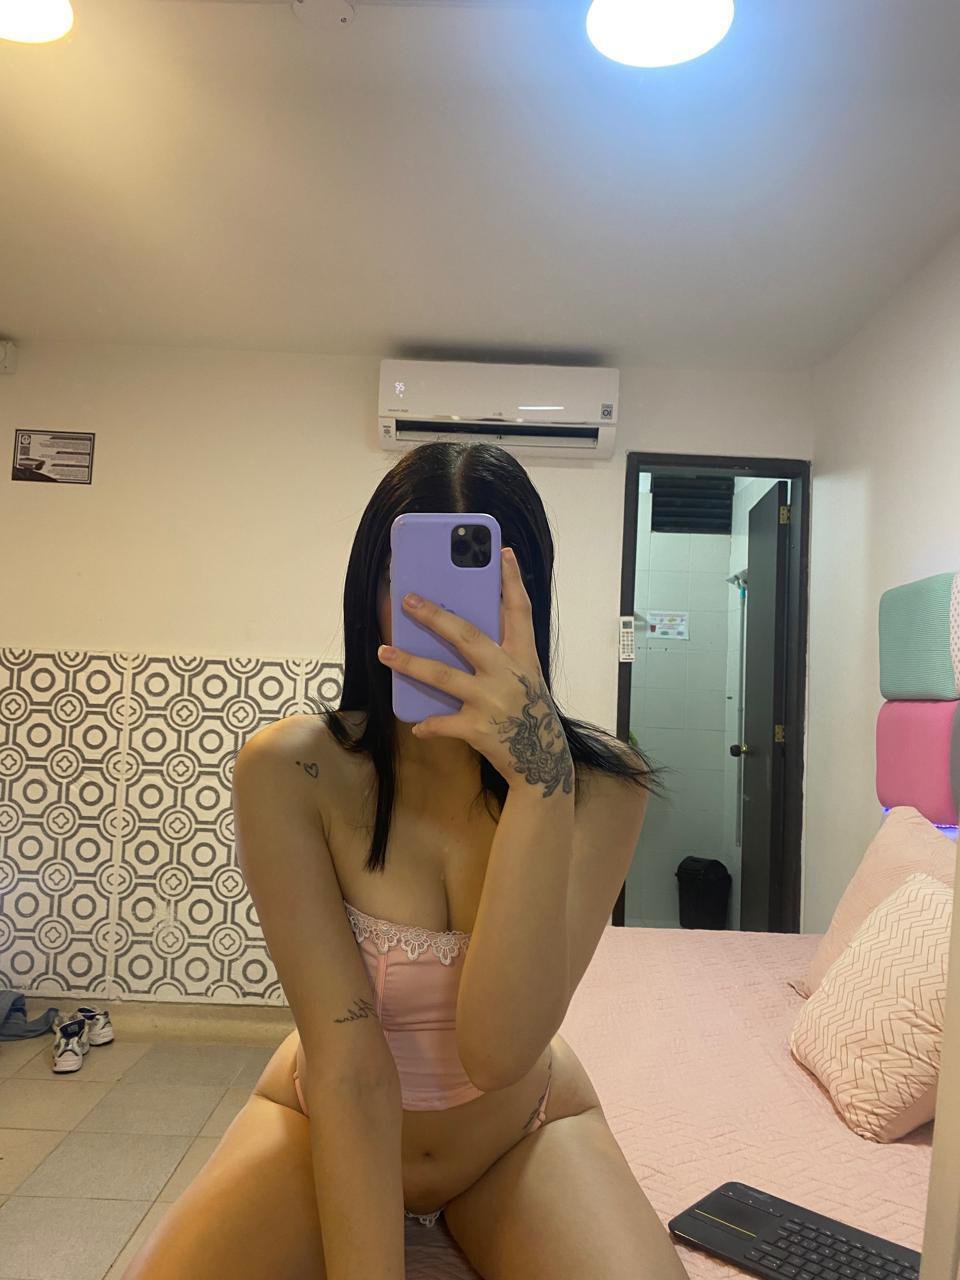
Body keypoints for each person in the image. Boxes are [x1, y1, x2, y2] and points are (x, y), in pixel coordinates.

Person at [124, 442, 689, 1279]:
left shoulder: (603, 789)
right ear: (370, 594)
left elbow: (498, 1053)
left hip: (519, 1130)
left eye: (478, 591)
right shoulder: (290, 771)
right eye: (409, 584)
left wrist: (539, 784)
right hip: (322, 1114)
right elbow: (350, 1067)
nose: (441, 621)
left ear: (529, 599)